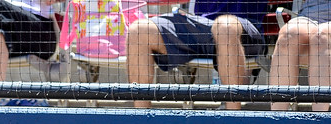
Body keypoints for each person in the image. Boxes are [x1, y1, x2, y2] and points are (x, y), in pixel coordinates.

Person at [126, 1, 268, 109]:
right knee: (138, 31)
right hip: (201, 24)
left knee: (225, 26)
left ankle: (233, 119)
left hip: (243, 25)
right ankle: (141, 119)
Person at [269, 0, 331, 113]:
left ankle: (319, 118)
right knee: (288, 36)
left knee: (321, 37)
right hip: (310, 15)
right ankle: (276, 118)